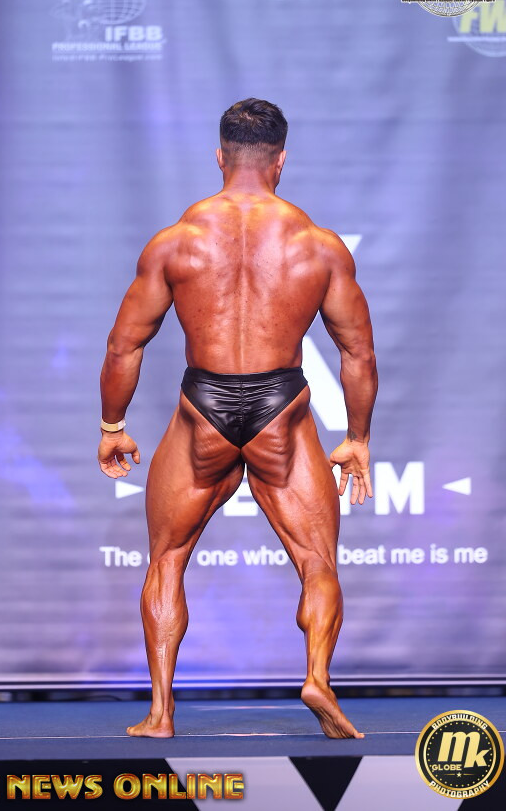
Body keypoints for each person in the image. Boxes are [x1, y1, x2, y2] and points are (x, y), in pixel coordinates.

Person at [98, 98, 378, 739]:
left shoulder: (176, 242)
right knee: (317, 560)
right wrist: (357, 438)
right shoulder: (318, 247)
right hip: (282, 406)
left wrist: (113, 426)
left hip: (205, 405)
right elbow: (358, 353)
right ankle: (317, 677)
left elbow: (123, 346)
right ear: (281, 161)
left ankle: (161, 714)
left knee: (168, 557)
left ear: (220, 157)